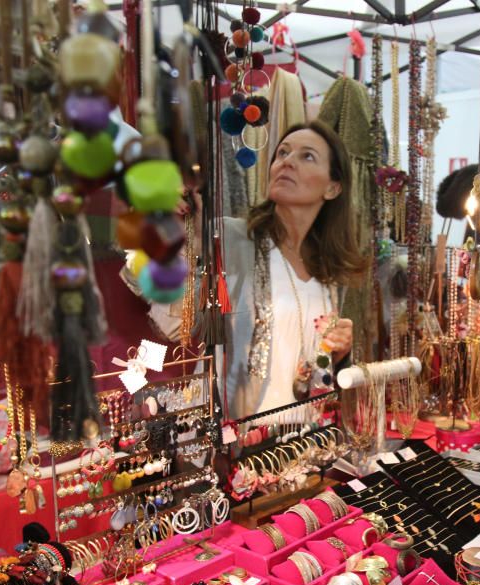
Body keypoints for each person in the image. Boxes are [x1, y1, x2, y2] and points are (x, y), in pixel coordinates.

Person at [130, 121, 366, 419]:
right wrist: (186, 245)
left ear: (333, 187)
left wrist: (339, 352)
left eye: (307, 156)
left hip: (300, 440)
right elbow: (176, 328)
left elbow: (313, 361)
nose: (287, 162)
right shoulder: (228, 239)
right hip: (235, 442)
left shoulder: (327, 267)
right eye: (282, 153)